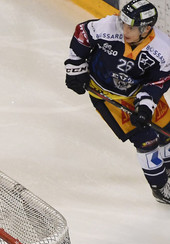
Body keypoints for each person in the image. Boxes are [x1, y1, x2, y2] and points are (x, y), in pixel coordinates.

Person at [65, 0, 170, 204]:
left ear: (146, 28)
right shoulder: (107, 27)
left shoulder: (163, 50)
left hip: (137, 92)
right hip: (107, 96)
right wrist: (75, 68)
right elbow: (82, 32)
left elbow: (158, 81)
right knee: (146, 140)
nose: (124, 30)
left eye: (130, 27)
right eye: (124, 24)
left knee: (166, 130)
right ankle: (160, 187)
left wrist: (145, 107)